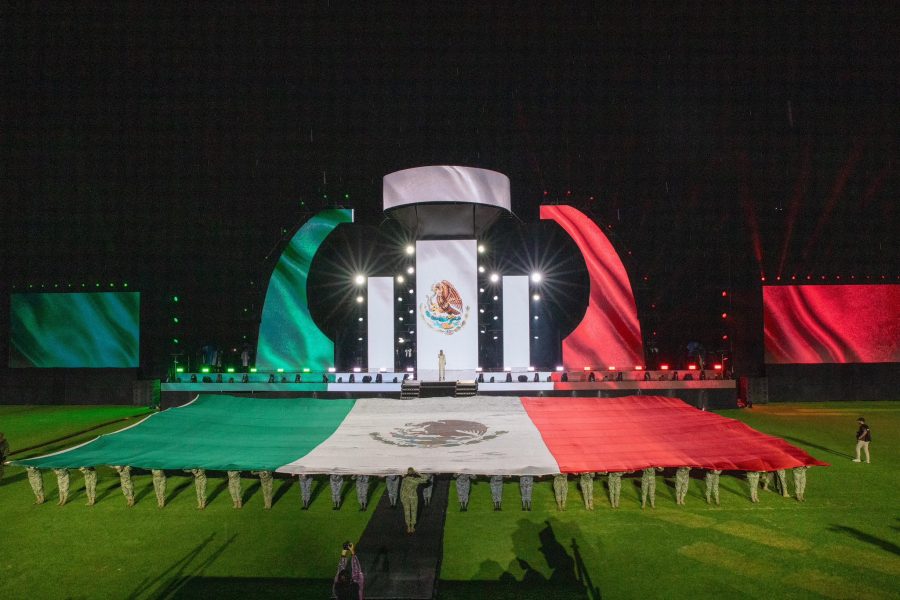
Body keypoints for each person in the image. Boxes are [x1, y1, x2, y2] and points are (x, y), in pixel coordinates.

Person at [400, 468, 429, 533]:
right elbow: (426, 478)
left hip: (406, 497)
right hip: (413, 497)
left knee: (407, 512)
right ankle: (412, 526)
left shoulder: (404, 480)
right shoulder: (416, 480)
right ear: (413, 473)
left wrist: (401, 498)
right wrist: (418, 473)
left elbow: (401, 489)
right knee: (413, 511)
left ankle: (408, 527)